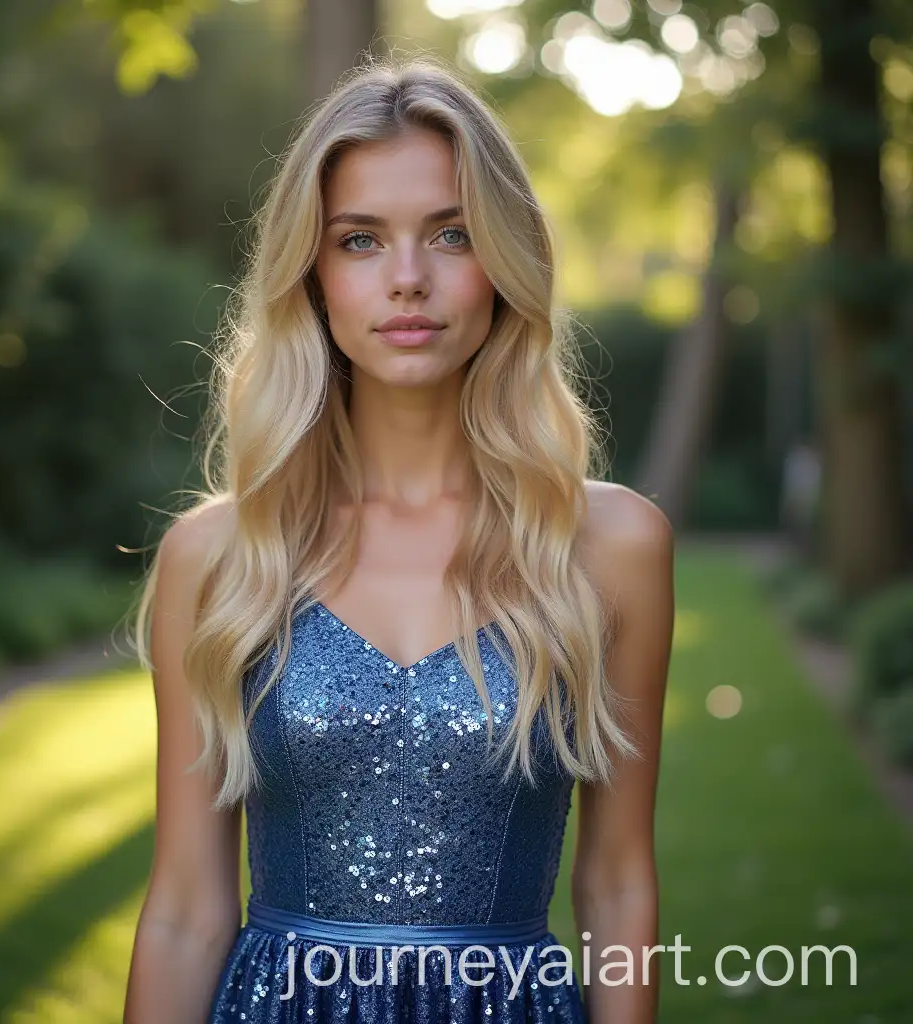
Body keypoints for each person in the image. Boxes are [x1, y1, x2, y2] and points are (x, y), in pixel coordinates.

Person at [122, 56, 674, 1024]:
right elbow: (182, 910)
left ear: (504, 260)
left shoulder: (607, 543)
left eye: (450, 234)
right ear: (312, 270)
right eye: (361, 240)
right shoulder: (219, 557)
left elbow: (616, 885)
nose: (408, 279)